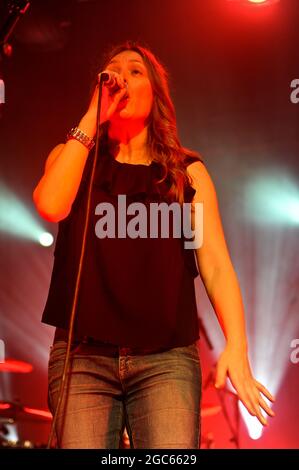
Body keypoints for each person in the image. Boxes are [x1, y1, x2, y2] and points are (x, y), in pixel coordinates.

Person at [33, 41, 275, 449]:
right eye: (113, 71)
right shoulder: (72, 159)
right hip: (82, 358)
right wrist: (93, 116)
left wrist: (238, 346)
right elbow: (51, 204)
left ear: (156, 94)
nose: (121, 79)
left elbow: (215, 264)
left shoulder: (187, 173)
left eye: (134, 72)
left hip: (166, 359)